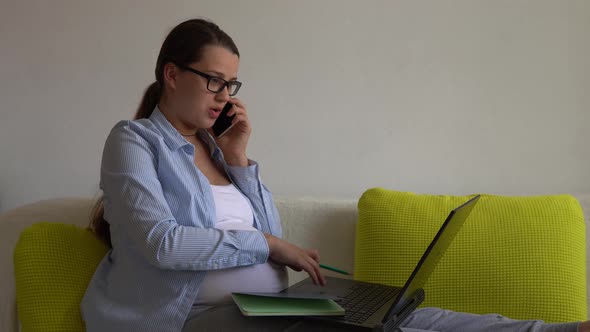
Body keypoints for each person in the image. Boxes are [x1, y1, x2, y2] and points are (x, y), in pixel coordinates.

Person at [82, 18, 588, 332]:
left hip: (265, 307)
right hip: (186, 319)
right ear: (172, 75)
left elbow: (269, 231)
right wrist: (267, 246)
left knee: (396, 314)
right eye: (214, 80)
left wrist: (238, 158)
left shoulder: (218, 147)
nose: (225, 95)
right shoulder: (134, 141)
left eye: (231, 82)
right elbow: (161, 244)